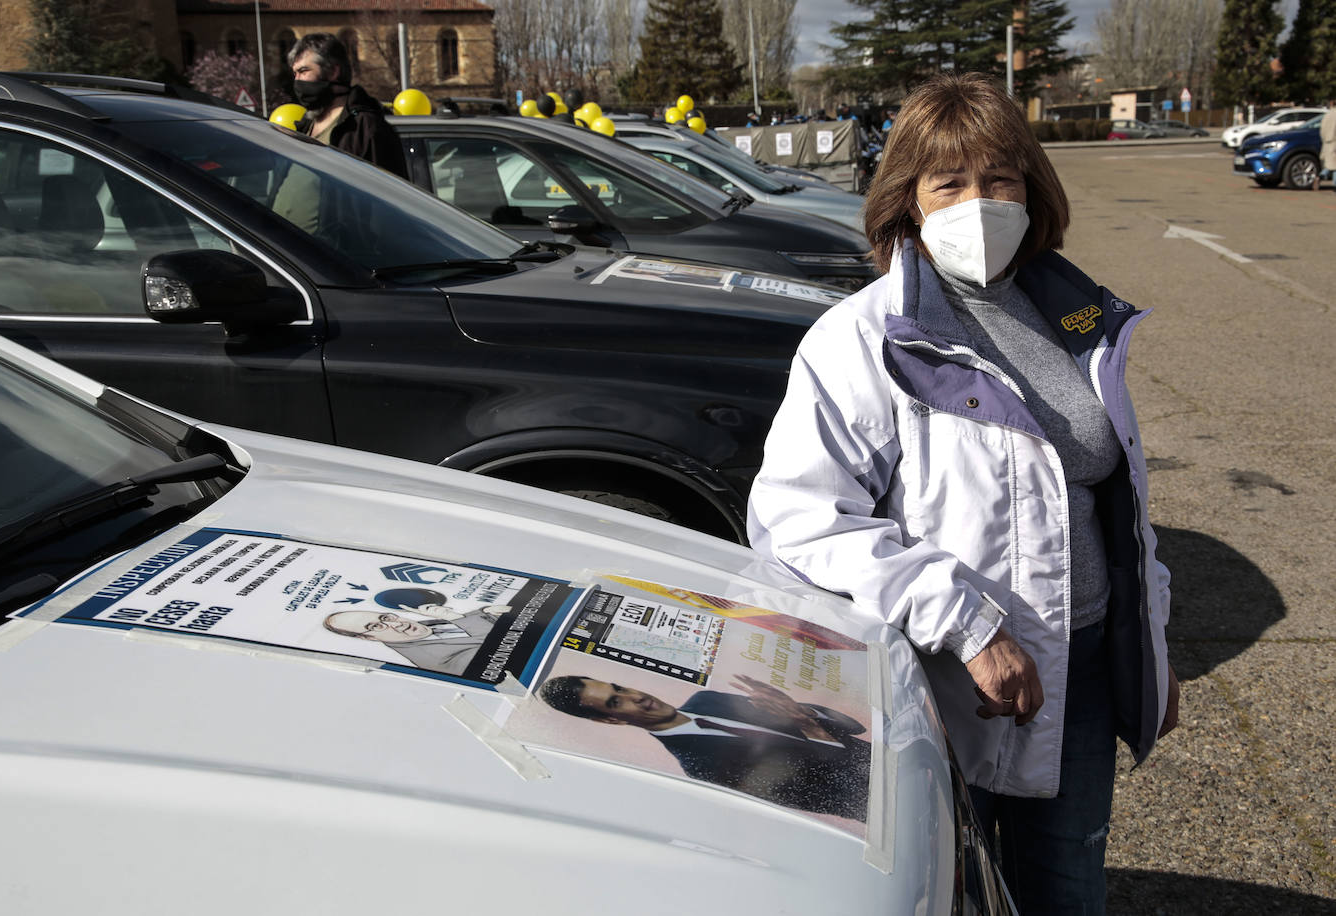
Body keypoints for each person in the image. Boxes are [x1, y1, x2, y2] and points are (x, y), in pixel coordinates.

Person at [746, 72, 1178, 915]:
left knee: (1066, 891)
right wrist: (968, 624)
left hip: (1081, 671)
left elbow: (1117, 502)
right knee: (953, 892)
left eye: (1001, 179)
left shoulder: (1073, 317)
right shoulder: (862, 339)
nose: (979, 202)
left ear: (1032, 189)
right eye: (950, 182)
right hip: (946, 685)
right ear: (908, 199)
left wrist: (1151, 649)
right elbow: (800, 522)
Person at [539, 673, 871, 821]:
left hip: (892, 753)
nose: (636, 696)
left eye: (620, 687)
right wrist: (810, 726)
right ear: (610, 721)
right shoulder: (701, 767)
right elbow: (835, 799)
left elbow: (854, 728)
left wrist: (807, 712)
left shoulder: (707, 698)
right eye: (615, 701)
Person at [286, 33, 406, 177]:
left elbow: (389, 188)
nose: (297, 80)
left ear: (333, 71)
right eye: (295, 74)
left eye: (303, 71)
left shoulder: (365, 128)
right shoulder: (306, 124)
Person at [324, 605, 511, 675]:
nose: (397, 625)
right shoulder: (432, 658)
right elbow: (504, 651)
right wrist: (456, 617)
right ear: (369, 638)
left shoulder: (426, 627)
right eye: (376, 627)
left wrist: (484, 612)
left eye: (386, 618)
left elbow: (467, 628)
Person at [1320, 99, 1336, 190]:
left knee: (1331, 164)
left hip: (1327, 142)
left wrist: (1324, 140)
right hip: (1334, 142)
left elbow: (1322, 130)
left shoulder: (1327, 115)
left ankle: (1321, 175)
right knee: (1334, 165)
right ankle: (1334, 184)